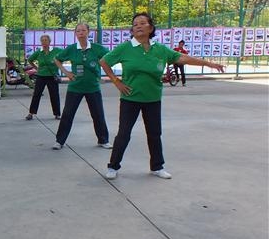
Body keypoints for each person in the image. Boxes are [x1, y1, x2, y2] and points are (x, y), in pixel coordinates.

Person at [100, 12, 225, 180]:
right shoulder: (125, 48)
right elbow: (104, 61)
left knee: (154, 134)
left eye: (142, 23)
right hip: (130, 99)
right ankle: (113, 167)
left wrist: (208, 63)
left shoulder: (159, 49)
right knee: (123, 133)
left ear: (150, 28)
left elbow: (182, 58)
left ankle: (157, 167)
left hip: (152, 99)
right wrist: (116, 81)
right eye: (135, 23)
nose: (138, 26)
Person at [52, 23, 112, 150]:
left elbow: (110, 58)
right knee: (68, 114)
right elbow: (57, 59)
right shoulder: (72, 49)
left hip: (93, 87)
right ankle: (59, 141)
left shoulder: (97, 48)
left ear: (88, 32)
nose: (81, 33)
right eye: (78, 31)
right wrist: (66, 72)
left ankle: (103, 140)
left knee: (98, 114)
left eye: (83, 30)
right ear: (75, 33)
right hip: (75, 87)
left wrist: (102, 70)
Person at [25, 34, 62, 120]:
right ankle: (31, 113)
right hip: (41, 76)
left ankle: (57, 114)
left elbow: (64, 55)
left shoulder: (56, 50)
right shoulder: (39, 52)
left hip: (52, 76)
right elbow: (30, 60)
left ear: (49, 41)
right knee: (36, 94)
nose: (44, 42)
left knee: (54, 95)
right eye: (42, 40)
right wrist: (36, 68)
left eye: (46, 40)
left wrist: (59, 64)